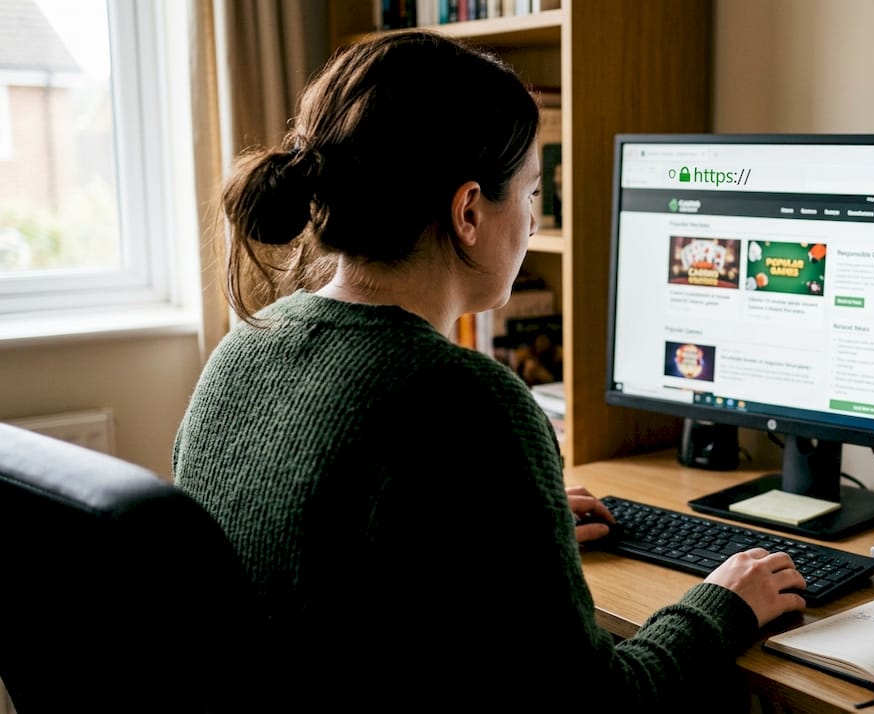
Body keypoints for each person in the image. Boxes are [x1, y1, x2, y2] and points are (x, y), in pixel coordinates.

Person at [172, 30, 807, 711]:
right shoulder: (468, 402)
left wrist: (514, 527)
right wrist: (723, 603)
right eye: (530, 193)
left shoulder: (241, 352)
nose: (532, 223)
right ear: (469, 211)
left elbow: (344, 557)